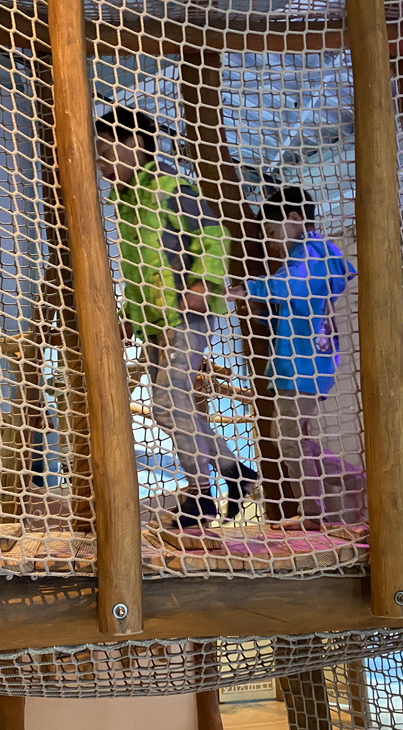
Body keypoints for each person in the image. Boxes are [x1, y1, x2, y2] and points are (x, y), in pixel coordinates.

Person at [94, 106, 258, 527]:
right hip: (152, 319)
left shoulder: (171, 187)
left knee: (169, 398)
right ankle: (235, 471)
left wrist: (203, 282)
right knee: (167, 409)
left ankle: (200, 495)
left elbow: (213, 232)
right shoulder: (125, 203)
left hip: (186, 312)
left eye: (106, 150)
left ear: (138, 145)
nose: (100, 160)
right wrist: (128, 314)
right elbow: (135, 265)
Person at [229, 187, 357, 527]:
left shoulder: (313, 252)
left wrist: (248, 288)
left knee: (287, 435)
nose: (270, 242)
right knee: (299, 438)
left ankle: (314, 513)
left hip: (304, 366)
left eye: (271, 232)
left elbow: (293, 286)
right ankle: (355, 480)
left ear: (295, 219)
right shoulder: (310, 256)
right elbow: (294, 303)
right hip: (303, 363)